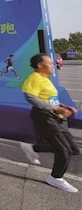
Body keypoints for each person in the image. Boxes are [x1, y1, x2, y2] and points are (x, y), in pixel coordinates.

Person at [19, 53, 80, 193]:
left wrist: (64, 107)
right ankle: (55, 178)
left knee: (73, 149)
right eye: (50, 63)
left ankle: (33, 147)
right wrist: (56, 108)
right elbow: (31, 98)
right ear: (40, 65)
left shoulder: (45, 78)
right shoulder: (34, 78)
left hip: (57, 117)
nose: (53, 65)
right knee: (64, 151)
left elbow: (51, 99)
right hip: (45, 117)